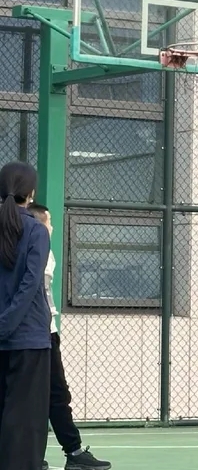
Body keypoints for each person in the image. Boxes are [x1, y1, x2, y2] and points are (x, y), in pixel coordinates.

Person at [28, 203, 112, 470]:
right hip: (38, 334)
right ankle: (57, 454)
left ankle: (68, 453)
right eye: (49, 221)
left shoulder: (40, 250)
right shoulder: (38, 250)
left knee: (51, 395)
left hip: (43, 332)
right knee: (49, 395)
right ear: (40, 224)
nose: (53, 226)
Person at [0, 162, 52, 470]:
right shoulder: (36, 231)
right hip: (28, 338)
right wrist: (6, 325)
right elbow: (30, 285)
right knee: (26, 423)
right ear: (30, 193)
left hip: (10, 337)